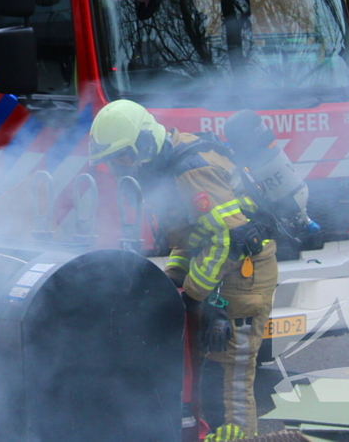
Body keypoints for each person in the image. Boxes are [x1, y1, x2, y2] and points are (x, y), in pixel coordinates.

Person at [88, 99, 277, 440]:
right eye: (113, 161)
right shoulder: (168, 165)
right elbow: (193, 237)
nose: (121, 168)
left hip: (244, 273)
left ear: (146, 142)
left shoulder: (189, 170)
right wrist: (171, 280)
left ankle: (238, 436)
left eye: (124, 157)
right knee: (207, 367)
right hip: (220, 268)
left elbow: (227, 239)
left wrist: (191, 295)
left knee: (230, 373)